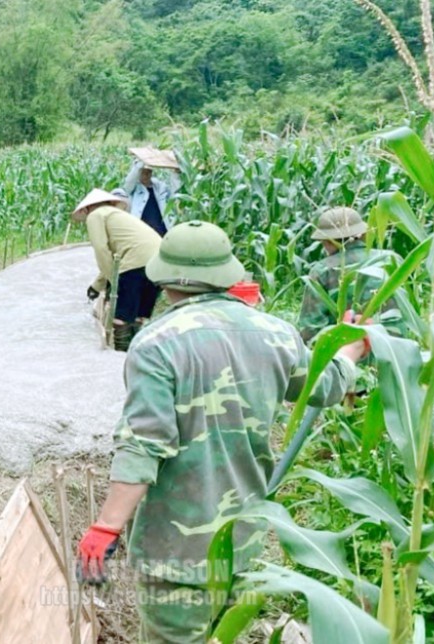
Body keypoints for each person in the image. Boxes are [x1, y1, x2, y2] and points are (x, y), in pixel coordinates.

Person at [76, 221, 367, 642]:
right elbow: (327, 387)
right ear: (228, 273)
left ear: (164, 275)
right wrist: (349, 350)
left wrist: (106, 527)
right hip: (243, 545)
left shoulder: (156, 343)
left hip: (176, 555)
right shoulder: (275, 333)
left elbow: (143, 445)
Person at [73, 188, 162, 350]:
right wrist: (97, 286)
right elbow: (116, 259)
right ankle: (136, 356)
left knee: (121, 317)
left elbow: (101, 250)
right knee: (138, 316)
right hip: (160, 262)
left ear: (86, 209)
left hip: (135, 264)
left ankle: (120, 357)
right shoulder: (119, 216)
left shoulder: (95, 215)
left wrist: (113, 282)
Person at [298, 206, 403, 343]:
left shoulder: (322, 270)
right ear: (364, 234)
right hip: (397, 350)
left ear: (327, 241)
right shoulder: (392, 260)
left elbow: (311, 329)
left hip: (348, 353)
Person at [122, 149, 182, 236]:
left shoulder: (160, 187)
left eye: (148, 172)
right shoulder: (134, 188)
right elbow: (128, 184)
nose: (146, 175)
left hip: (161, 232)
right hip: (142, 233)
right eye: (143, 172)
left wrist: (175, 174)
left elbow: (175, 195)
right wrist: (141, 161)